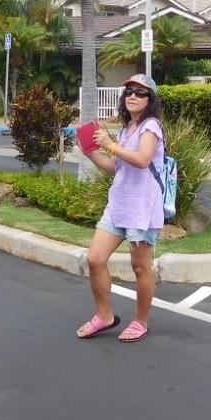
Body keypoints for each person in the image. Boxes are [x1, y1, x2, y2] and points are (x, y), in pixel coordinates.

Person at [76, 72, 165, 343]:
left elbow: (142, 159)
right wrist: (91, 152)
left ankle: (140, 321)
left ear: (150, 99)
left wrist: (110, 145)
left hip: (142, 208)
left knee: (140, 267)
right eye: (128, 92)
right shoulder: (127, 129)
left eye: (140, 93)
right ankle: (104, 315)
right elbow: (117, 168)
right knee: (95, 259)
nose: (133, 96)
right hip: (119, 205)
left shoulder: (151, 127)